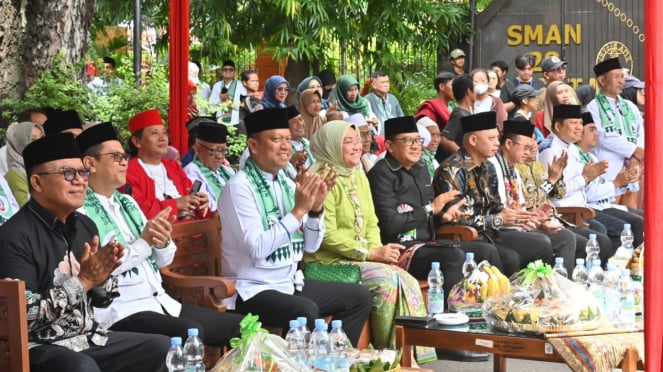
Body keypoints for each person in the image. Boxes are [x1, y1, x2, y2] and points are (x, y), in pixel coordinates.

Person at [0, 133, 169, 372]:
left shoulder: (85, 226)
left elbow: (101, 300)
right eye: (68, 173)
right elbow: (23, 319)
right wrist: (84, 280)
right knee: (82, 367)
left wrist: (101, 278)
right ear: (37, 182)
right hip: (38, 347)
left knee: (160, 347)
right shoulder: (14, 237)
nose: (80, 181)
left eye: (83, 173)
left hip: (86, 338)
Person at [76, 122, 242, 348]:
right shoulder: (80, 211)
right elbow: (106, 264)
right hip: (121, 310)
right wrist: (145, 242)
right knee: (189, 333)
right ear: (90, 163)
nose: (124, 161)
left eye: (124, 155)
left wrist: (162, 241)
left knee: (240, 327)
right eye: (115, 156)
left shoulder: (127, 202)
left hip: (160, 301)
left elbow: (164, 260)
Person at [219, 108, 372, 345]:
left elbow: (310, 246)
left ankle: (335, 359)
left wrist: (315, 210)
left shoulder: (287, 184)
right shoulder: (239, 188)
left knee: (360, 296)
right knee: (304, 310)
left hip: (290, 282)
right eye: (276, 139)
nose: (285, 146)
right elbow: (257, 249)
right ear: (254, 145)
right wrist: (299, 210)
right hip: (251, 289)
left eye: (288, 139)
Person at [305, 120, 431, 359]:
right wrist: (369, 254)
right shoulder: (320, 178)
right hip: (325, 266)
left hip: (360, 260)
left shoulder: (358, 175)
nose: (357, 146)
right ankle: (386, 356)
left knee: (406, 279)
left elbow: (372, 221)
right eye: (348, 141)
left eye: (358, 140)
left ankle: (410, 357)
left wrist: (379, 250)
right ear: (330, 145)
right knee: (386, 282)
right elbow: (327, 235)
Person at [433, 111, 553, 276]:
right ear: (473, 140)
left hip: (489, 232)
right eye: (492, 139)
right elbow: (458, 219)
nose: (498, 143)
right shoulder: (451, 170)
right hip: (465, 236)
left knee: (541, 243)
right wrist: (498, 219)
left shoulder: (488, 167)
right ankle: (506, 300)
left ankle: (536, 294)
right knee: (510, 257)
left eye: (497, 138)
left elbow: (496, 208)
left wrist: (524, 216)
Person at [488, 120, 576, 274]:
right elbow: (515, 207)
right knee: (543, 242)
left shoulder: (518, 167)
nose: (529, 152)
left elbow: (526, 203)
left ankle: (559, 289)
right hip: (501, 229)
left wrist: (537, 217)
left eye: (531, 146)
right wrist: (550, 182)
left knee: (568, 237)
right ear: (508, 143)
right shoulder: (492, 166)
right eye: (526, 148)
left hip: (524, 223)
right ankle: (542, 290)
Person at [538, 104, 617, 261]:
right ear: (558, 126)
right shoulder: (550, 149)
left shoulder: (571, 147)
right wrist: (585, 178)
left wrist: (589, 176)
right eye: (573, 123)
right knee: (601, 239)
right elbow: (556, 192)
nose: (579, 127)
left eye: (580, 123)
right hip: (563, 212)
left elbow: (579, 181)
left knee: (603, 236)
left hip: (580, 209)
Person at [125, 108, 209, 221]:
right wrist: (175, 204)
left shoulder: (173, 166)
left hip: (191, 228)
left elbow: (189, 195)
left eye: (164, 132)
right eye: (155, 133)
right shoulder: (129, 171)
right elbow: (136, 209)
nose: (162, 138)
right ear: (137, 142)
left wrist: (200, 203)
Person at [575, 112, 644, 248]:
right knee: (635, 223)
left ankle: (632, 261)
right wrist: (616, 183)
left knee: (643, 217)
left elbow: (602, 187)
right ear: (580, 134)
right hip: (591, 206)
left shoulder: (591, 157)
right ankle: (622, 263)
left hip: (603, 204)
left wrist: (625, 181)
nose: (597, 134)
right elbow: (588, 194)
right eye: (592, 129)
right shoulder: (576, 156)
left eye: (596, 129)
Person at [587, 58, 644, 209]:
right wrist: (634, 151)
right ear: (602, 80)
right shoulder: (593, 107)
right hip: (609, 171)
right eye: (617, 77)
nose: (621, 81)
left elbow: (640, 132)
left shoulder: (630, 107)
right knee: (614, 215)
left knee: (633, 218)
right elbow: (602, 136)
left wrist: (637, 158)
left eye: (622, 77)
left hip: (632, 167)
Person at [184, 122, 235, 212]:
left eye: (223, 151)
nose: (219, 156)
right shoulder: (190, 172)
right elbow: (204, 207)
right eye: (214, 151)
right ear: (198, 149)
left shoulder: (227, 171)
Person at [4, 121, 44, 206]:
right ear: (20, 144)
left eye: (42, 137)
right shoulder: (15, 174)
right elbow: (26, 208)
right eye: (33, 139)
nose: (41, 142)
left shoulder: (43, 167)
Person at [439, 75, 475, 160]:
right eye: (475, 89)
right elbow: (445, 139)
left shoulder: (466, 112)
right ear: (469, 92)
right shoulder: (459, 114)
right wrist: (464, 158)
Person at [210, 59, 246, 125]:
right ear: (222, 72)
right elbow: (211, 103)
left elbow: (244, 103)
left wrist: (231, 105)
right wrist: (221, 100)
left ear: (235, 72)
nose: (228, 71)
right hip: (220, 120)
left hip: (236, 121)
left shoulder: (241, 85)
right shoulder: (217, 85)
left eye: (231, 69)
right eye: (225, 69)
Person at [287, 106, 316, 171]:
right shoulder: (285, 148)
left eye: (300, 119)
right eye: (294, 122)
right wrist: (293, 163)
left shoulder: (306, 142)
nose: (300, 124)